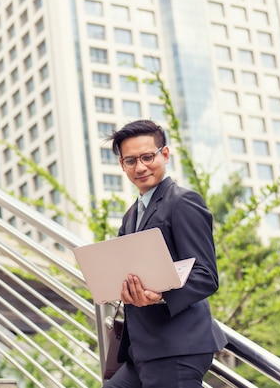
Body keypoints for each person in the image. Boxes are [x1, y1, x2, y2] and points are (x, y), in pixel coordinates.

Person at [104, 119, 227, 388]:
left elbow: (206, 275)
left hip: (175, 349)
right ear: (122, 165)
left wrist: (161, 294)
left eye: (148, 157)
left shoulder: (183, 202)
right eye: (131, 161)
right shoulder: (132, 215)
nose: (141, 167)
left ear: (165, 154)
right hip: (142, 351)